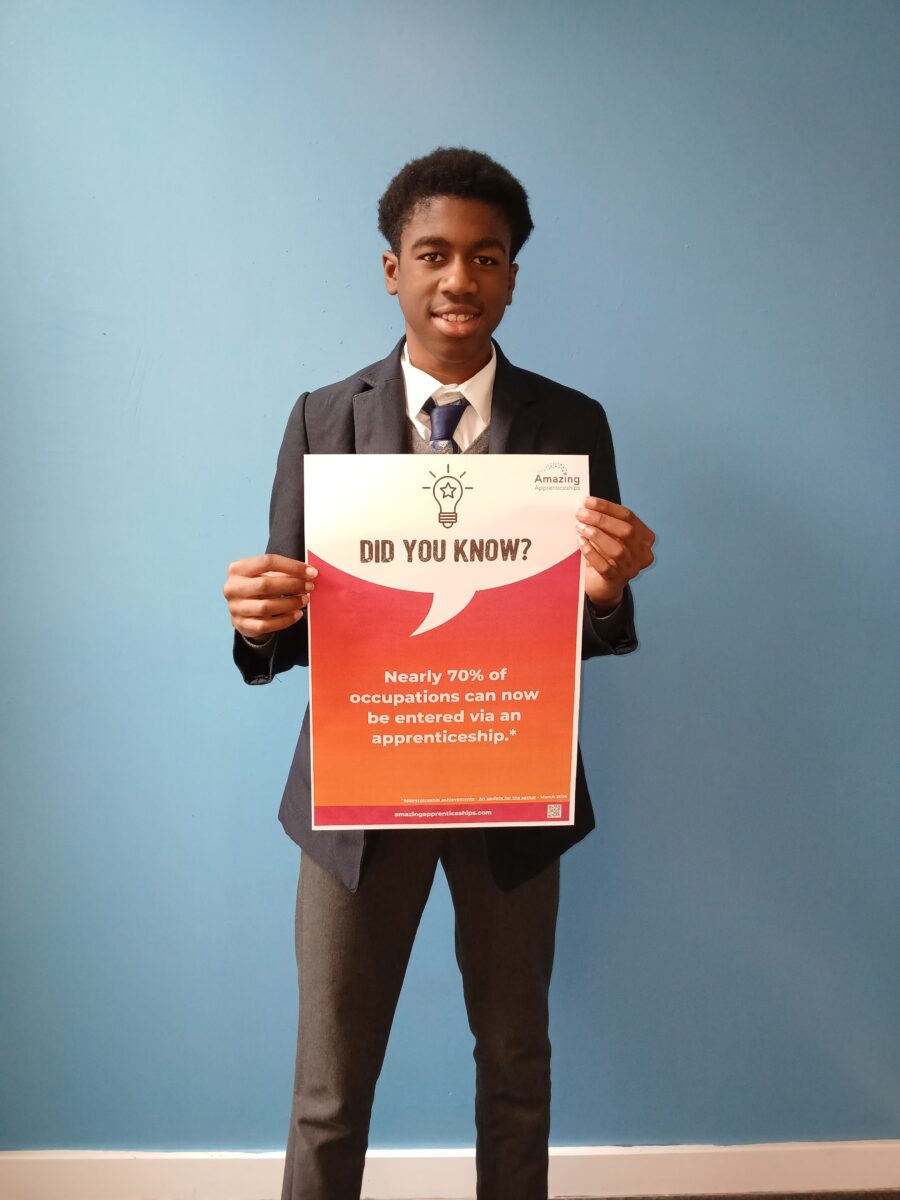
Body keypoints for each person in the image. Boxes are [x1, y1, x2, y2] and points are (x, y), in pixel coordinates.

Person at [223, 148, 655, 1200]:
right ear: (392, 270)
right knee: (329, 1088)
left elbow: (589, 627)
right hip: (355, 801)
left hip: (513, 786)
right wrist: (256, 620)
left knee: (516, 1067)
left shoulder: (571, 424)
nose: (459, 278)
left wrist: (606, 592)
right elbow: (281, 636)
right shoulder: (323, 417)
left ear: (512, 275)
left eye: (486, 256)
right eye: (433, 254)